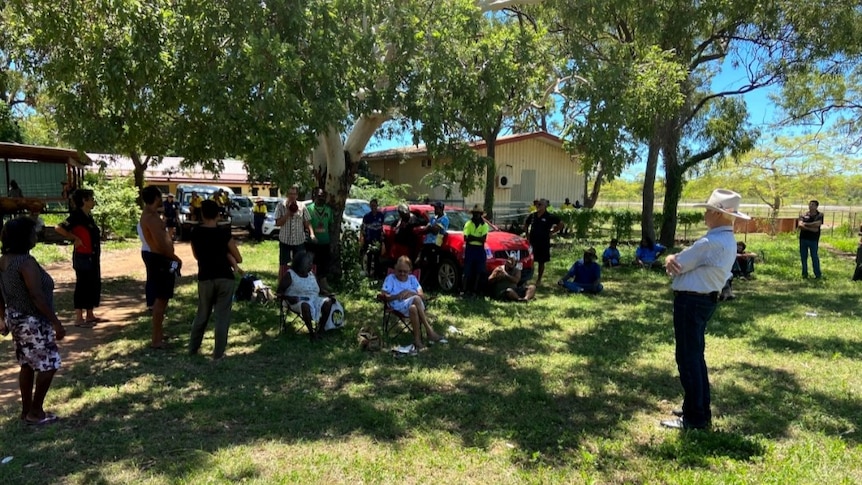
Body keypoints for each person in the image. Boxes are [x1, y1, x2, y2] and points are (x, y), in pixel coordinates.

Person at [662, 188, 750, 430]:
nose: (705, 215)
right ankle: (696, 407)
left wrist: (670, 258)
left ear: (718, 214)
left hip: (691, 302)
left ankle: (695, 417)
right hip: (703, 301)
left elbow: (677, 263)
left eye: (709, 211)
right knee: (695, 357)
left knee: (688, 358)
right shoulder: (727, 240)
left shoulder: (710, 242)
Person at [0, 217, 66, 425]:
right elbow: (37, 296)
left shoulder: (4, 260)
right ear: (23, 237)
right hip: (33, 321)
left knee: (27, 364)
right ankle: (36, 411)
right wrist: (55, 322)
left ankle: (26, 410)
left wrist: (2, 316)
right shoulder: (25, 262)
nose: (35, 235)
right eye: (32, 232)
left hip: (16, 318)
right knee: (49, 365)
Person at [189, 200, 243, 359]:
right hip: (224, 277)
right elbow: (238, 258)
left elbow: (196, 255)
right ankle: (218, 353)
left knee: (202, 314)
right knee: (222, 316)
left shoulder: (195, 232)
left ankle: (193, 348)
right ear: (218, 215)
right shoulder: (223, 233)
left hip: (205, 276)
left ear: (202, 214)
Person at [54, 189, 105, 328]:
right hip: (82, 255)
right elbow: (58, 227)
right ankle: (78, 317)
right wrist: (74, 238)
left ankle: (90, 314)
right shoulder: (76, 216)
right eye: (91, 199)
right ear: (84, 200)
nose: (93, 201)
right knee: (82, 284)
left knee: (93, 283)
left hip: (93, 255)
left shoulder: (88, 216)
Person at [140, 186, 182, 349]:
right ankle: (156, 340)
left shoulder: (151, 215)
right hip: (160, 259)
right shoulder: (150, 217)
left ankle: (160, 334)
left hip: (159, 258)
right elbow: (160, 244)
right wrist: (175, 258)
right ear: (157, 198)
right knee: (161, 299)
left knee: (163, 299)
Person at [381, 256, 446, 350]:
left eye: (405, 271)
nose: (402, 273)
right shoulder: (390, 278)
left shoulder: (412, 279)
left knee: (413, 307)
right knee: (415, 299)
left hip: (416, 306)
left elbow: (422, 296)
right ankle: (429, 331)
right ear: (395, 268)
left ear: (410, 270)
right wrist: (397, 295)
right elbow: (383, 295)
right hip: (398, 306)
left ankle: (417, 341)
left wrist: (410, 292)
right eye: (400, 271)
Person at [277, 251, 334, 341]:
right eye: (308, 263)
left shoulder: (311, 274)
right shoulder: (290, 275)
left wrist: (328, 294)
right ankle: (312, 333)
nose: (311, 265)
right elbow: (279, 293)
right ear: (301, 265)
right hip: (296, 301)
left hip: (314, 299)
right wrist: (289, 298)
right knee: (305, 305)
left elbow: (319, 289)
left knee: (328, 302)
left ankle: (321, 330)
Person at [274, 185, 314, 283]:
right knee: (283, 264)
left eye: (294, 194)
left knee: (301, 264)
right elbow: (278, 223)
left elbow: (307, 222)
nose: (292, 196)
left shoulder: (302, 206)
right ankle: (281, 286)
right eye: (290, 194)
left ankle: (298, 284)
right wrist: (288, 213)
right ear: (287, 195)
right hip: (285, 240)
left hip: (299, 240)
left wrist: (312, 234)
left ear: (297, 195)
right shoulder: (280, 206)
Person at [523, 198, 563, 285]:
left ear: (545, 206)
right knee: (530, 260)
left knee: (541, 261)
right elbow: (526, 224)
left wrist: (552, 232)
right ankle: (528, 278)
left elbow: (561, 224)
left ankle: (539, 280)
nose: (537, 206)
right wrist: (527, 235)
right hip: (533, 241)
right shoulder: (533, 216)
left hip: (543, 242)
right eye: (537, 204)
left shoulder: (549, 216)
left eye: (540, 204)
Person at [306, 187, 334, 293]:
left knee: (324, 263)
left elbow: (331, 226)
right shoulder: (309, 209)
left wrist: (332, 242)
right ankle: (313, 284)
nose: (321, 198)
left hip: (325, 242)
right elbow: (307, 224)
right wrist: (312, 235)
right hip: (312, 243)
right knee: (312, 263)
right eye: (319, 196)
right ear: (314, 196)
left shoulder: (328, 209)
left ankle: (324, 283)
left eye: (323, 196)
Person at [462, 204, 489, 297]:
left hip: (479, 250)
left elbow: (483, 240)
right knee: (467, 271)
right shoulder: (468, 224)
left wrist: (472, 237)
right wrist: (478, 238)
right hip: (470, 249)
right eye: (474, 213)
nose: (475, 215)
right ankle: (464, 291)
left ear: (481, 214)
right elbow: (466, 238)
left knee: (478, 271)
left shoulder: (485, 225)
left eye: (477, 213)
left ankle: (475, 291)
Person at [417, 201, 449, 271]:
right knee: (422, 264)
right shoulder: (433, 218)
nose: (435, 210)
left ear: (441, 209)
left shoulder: (444, 219)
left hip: (435, 244)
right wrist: (429, 228)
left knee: (432, 265)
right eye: (434, 208)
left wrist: (429, 225)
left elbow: (435, 231)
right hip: (427, 243)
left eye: (436, 208)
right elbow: (426, 229)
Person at [798, 199, 823, 279]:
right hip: (803, 239)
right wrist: (812, 229)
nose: (810, 206)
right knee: (803, 257)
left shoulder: (819, 215)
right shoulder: (803, 214)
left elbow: (817, 224)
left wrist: (806, 224)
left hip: (813, 240)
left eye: (812, 205)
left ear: (816, 206)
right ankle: (804, 274)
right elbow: (800, 225)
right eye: (809, 204)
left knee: (814, 257)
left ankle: (817, 274)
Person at [360, 198, 385, 277]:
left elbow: (382, 227)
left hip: (377, 240)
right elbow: (363, 229)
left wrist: (382, 238)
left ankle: (376, 274)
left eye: (374, 205)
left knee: (377, 258)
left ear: (377, 206)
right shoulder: (367, 216)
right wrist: (363, 239)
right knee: (369, 257)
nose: (373, 207)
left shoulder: (381, 215)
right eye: (371, 206)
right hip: (369, 239)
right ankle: (368, 273)